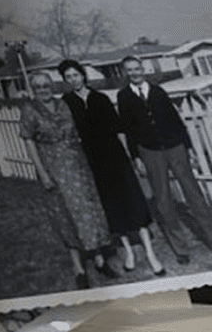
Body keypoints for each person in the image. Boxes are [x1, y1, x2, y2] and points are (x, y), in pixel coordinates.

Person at [115, 56, 212, 264]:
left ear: (143, 69)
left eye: (137, 68)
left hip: (175, 147)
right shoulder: (124, 96)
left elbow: (176, 121)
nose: (135, 73)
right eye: (130, 70)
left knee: (194, 195)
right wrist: (136, 157)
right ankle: (181, 249)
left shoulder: (158, 91)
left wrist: (189, 149)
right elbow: (128, 129)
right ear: (125, 72)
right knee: (163, 201)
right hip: (150, 151)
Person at [57, 59, 163, 277]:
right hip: (92, 164)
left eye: (76, 75)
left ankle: (151, 254)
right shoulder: (66, 103)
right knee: (113, 209)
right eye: (68, 77)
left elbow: (119, 129)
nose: (73, 80)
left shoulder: (101, 98)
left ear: (83, 75)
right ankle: (128, 253)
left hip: (116, 158)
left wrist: (129, 157)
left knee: (134, 204)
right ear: (65, 81)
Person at [19, 71, 114, 289]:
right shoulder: (29, 109)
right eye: (38, 86)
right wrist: (42, 173)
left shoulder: (63, 104)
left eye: (46, 85)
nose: (43, 89)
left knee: (90, 211)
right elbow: (29, 142)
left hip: (78, 165)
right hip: (53, 168)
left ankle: (99, 259)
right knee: (65, 215)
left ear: (52, 86)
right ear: (33, 89)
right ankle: (78, 268)